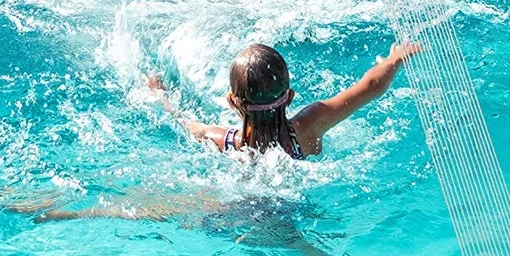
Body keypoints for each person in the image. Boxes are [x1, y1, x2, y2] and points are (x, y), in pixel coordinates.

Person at [148, 40, 421, 159]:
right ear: (289, 97)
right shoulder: (309, 126)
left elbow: (183, 121)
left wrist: (159, 93)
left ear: (232, 102)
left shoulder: (223, 141)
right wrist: (396, 58)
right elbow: (371, 86)